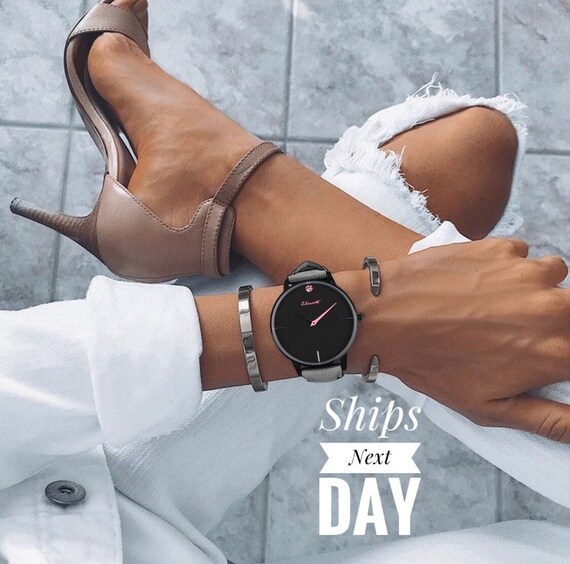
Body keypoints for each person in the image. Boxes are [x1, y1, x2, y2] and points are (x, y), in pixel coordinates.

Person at [1, 0, 569, 562]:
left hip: (34, 451)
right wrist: (368, 320)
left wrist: (377, 316)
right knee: (452, 170)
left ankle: (222, 185)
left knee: (455, 160)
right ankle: (227, 184)